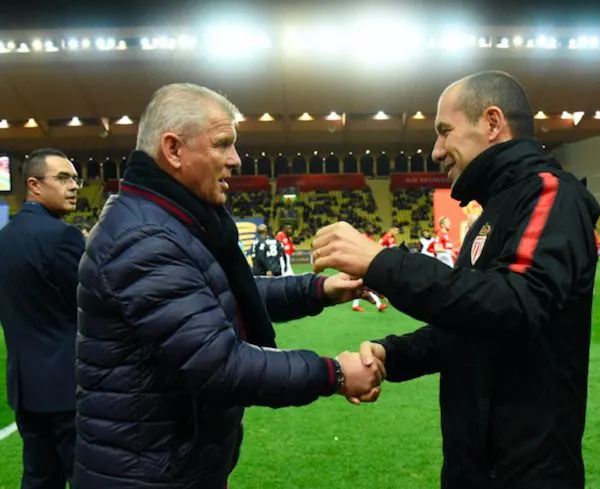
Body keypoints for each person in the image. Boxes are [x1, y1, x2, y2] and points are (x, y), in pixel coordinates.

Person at [75, 83, 384, 489]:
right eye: (223, 144)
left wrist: (319, 289)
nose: (236, 160)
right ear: (173, 150)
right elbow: (218, 364)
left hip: (163, 461)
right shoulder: (145, 237)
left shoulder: (167, 219)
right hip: (146, 473)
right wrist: (333, 374)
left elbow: (223, 295)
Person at [311, 71, 600, 488]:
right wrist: (393, 355)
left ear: (492, 122)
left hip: (528, 472)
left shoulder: (551, 196)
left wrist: (382, 263)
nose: (436, 151)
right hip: (474, 467)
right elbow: (470, 323)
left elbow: (516, 305)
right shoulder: (489, 216)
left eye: (445, 132)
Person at [0, 148, 84, 489]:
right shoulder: (63, 236)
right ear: (34, 185)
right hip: (68, 384)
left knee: (38, 477)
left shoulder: (4, 239)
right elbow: (91, 307)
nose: (74, 186)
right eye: (63, 178)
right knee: (87, 477)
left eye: (76, 178)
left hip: (26, 385)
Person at [351, 230, 388, 313]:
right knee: (367, 286)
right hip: (362, 266)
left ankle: (355, 305)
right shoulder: (365, 242)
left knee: (361, 287)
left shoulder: (361, 242)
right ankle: (379, 304)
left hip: (361, 265)